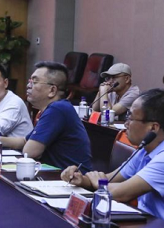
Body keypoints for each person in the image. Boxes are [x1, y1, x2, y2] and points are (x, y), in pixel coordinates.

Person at [62, 89, 164, 219]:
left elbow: (120, 193)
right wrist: (81, 179)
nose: (126, 124)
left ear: (153, 127)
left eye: (131, 118)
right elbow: (109, 179)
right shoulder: (144, 150)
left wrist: (99, 183)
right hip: (146, 222)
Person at [0, 61, 92, 170]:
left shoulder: (57, 109)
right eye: (30, 81)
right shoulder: (56, 107)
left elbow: (30, 152)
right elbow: (25, 141)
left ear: (52, 90)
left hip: (72, 177)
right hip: (57, 174)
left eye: (35, 81)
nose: (28, 86)